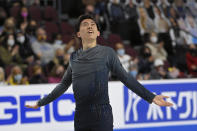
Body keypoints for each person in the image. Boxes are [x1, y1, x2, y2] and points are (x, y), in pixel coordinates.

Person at [26, 14, 173, 131]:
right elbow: (64, 84)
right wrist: (41, 102)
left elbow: (126, 77)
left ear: (97, 32)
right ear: (78, 33)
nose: (89, 26)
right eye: (85, 24)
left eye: (93, 25)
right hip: (80, 116)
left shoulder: (107, 53)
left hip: (101, 114)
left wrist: (151, 97)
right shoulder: (74, 57)